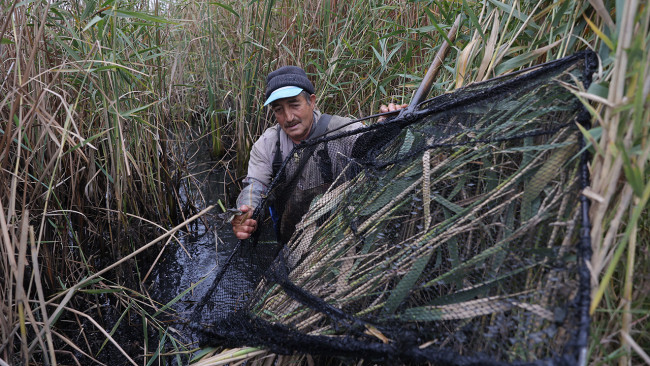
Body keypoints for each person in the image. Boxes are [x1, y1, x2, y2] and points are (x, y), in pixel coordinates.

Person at [232, 65, 406, 240]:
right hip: (291, 240)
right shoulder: (266, 145)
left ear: (312, 101)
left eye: (294, 105)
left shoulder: (342, 130)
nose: (289, 117)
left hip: (342, 237)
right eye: (279, 110)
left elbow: (370, 147)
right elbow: (254, 187)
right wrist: (246, 211)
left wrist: (385, 128)